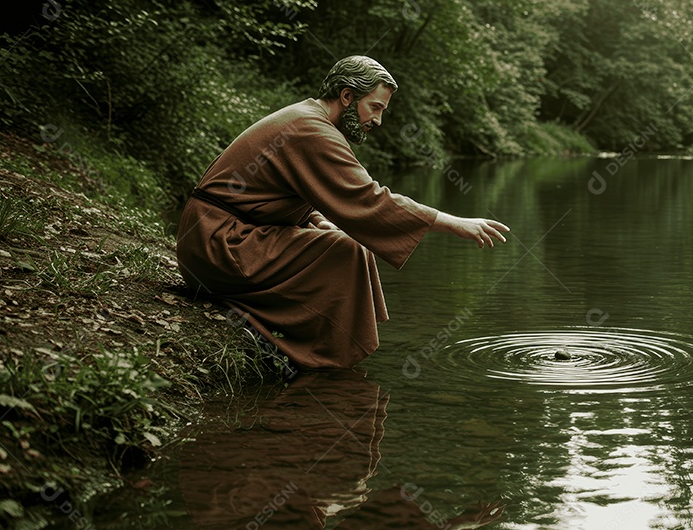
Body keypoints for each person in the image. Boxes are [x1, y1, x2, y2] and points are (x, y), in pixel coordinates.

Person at [176, 55, 509, 369]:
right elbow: (370, 199)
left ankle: (325, 349)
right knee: (346, 251)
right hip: (216, 246)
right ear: (347, 96)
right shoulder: (311, 129)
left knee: (350, 243)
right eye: (375, 107)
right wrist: (454, 222)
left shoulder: (310, 120)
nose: (377, 120)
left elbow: (301, 201)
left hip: (215, 239)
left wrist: (323, 225)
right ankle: (321, 358)